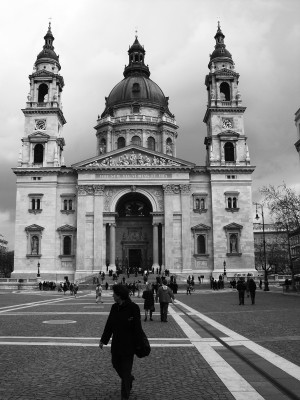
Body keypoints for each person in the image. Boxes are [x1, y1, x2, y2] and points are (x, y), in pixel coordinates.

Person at [99, 284, 142, 400]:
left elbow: (137, 328)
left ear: (119, 295)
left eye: (114, 294)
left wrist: (138, 345)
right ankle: (129, 379)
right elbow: (109, 325)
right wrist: (103, 340)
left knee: (126, 370)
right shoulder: (114, 307)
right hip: (117, 343)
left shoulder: (133, 308)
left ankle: (125, 396)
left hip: (129, 345)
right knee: (115, 364)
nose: (113, 295)